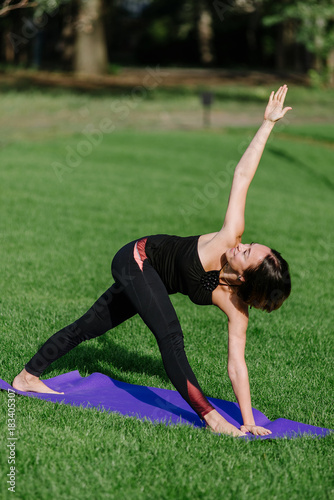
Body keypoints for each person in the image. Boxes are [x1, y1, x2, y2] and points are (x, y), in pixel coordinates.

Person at [13, 85, 292, 437]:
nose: (241, 245)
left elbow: (237, 364)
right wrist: (267, 124)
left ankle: (27, 376)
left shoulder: (236, 306)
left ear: (244, 280)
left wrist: (249, 420)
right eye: (249, 244)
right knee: (170, 335)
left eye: (247, 253)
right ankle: (210, 419)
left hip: (151, 281)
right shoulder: (229, 235)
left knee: (90, 326)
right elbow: (242, 176)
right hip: (136, 258)